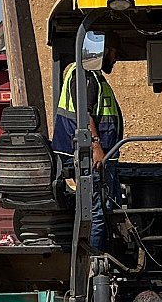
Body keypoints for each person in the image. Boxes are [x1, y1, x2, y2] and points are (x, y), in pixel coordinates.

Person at [53, 37, 124, 252]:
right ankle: (94, 267)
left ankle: (100, 263)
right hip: (90, 159)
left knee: (103, 209)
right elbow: (84, 114)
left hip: (98, 157)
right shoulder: (83, 75)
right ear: (100, 51)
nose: (115, 57)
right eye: (112, 52)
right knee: (96, 213)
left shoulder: (90, 75)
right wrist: (96, 147)